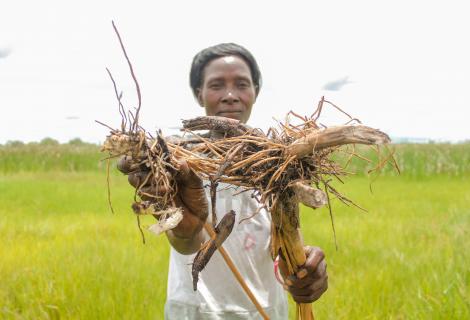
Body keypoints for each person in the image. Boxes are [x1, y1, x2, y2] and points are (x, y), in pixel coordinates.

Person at [119, 43, 328, 319]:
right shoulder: (178, 160)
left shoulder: (279, 161)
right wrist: (186, 231)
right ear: (199, 94)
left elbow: (284, 245)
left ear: (255, 92)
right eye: (217, 85)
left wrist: (302, 272)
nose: (230, 96)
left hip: (264, 311)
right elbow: (185, 241)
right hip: (195, 312)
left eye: (241, 84)